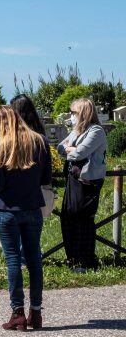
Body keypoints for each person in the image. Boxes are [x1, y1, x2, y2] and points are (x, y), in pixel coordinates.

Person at [0, 106, 51, 331]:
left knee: (13, 259)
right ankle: (36, 312)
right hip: (33, 207)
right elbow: (46, 177)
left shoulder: (0, 145)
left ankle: (17, 313)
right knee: (34, 259)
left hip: (6, 210)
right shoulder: (40, 141)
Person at [58, 98, 107, 272]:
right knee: (68, 217)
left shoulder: (96, 131)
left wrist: (70, 149)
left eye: (73, 113)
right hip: (73, 179)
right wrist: (70, 149)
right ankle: (73, 259)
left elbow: (79, 153)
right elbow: (59, 148)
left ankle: (85, 260)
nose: (71, 116)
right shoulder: (76, 132)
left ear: (83, 113)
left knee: (83, 219)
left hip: (88, 182)